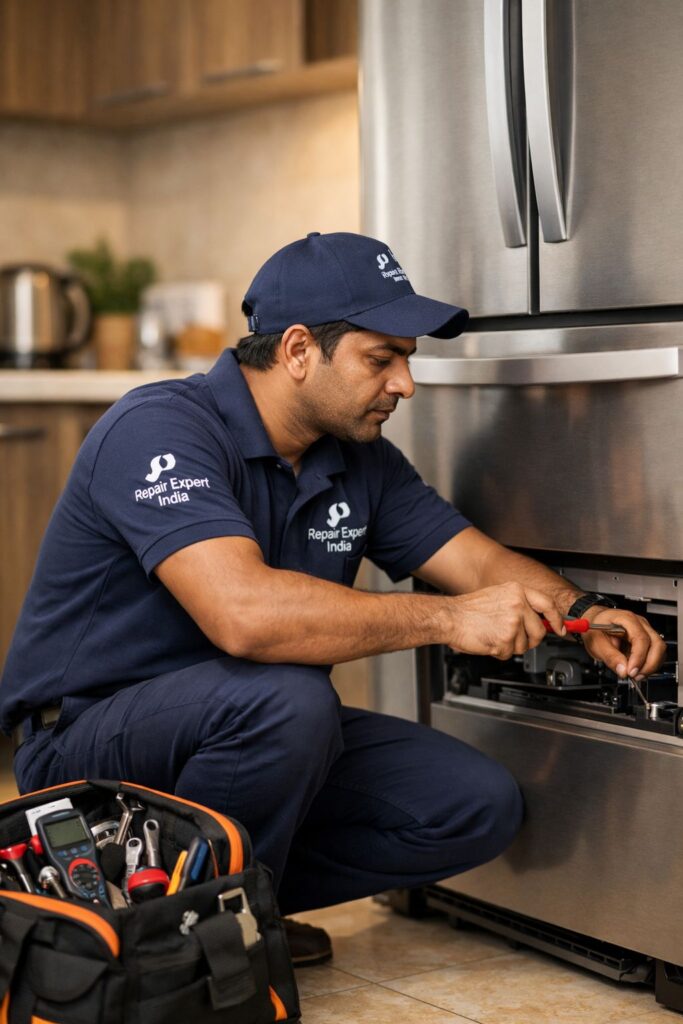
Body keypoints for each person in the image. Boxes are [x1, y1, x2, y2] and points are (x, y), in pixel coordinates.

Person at [0, 232, 665, 966]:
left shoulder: (358, 461)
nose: (404, 384)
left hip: (251, 725)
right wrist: (449, 621)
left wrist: (580, 614)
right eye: (381, 359)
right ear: (295, 352)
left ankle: (240, 906)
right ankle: (190, 942)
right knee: (287, 699)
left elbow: (474, 562)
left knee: (472, 805)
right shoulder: (159, 427)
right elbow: (245, 618)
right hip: (87, 747)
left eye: (406, 358)